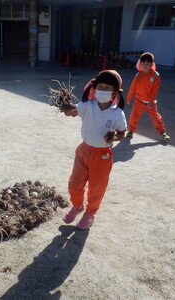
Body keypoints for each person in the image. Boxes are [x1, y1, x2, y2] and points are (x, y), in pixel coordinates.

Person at [62, 70, 127, 229]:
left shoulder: (117, 113)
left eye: (107, 87)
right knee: (74, 184)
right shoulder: (87, 105)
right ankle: (77, 206)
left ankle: (90, 213)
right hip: (83, 151)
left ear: (114, 92)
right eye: (100, 86)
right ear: (94, 87)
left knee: (97, 187)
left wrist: (113, 137)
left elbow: (121, 133)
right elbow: (72, 111)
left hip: (102, 155)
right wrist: (66, 107)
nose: (103, 90)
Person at [125, 52, 170, 141]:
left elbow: (155, 90)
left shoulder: (156, 75)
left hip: (150, 103)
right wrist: (129, 98)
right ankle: (131, 130)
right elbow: (132, 87)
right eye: (143, 63)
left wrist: (151, 101)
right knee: (134, 116)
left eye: (147, 63)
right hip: (138, 101)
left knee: (156, 118)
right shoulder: (138, 75)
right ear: (140, 63)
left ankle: (162, 132)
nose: (145, 65)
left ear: (151, 64)